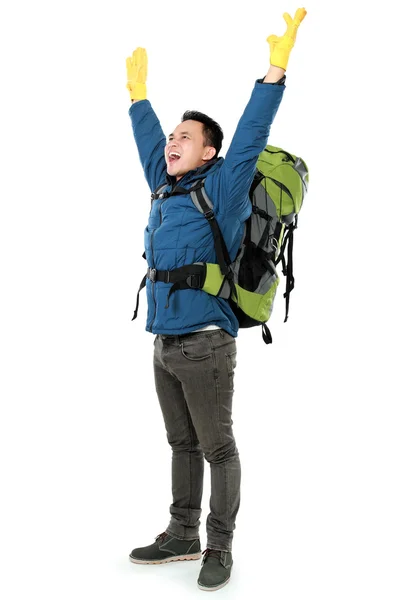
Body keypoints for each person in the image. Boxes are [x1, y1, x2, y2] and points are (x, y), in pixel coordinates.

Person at [126, 8, 306, 592]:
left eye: (185, 137)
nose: (172, 143)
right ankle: (181, 534)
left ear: (209, 153)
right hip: (163, 343)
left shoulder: (224, 189)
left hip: (206, 345)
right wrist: (139, 101)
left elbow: (252, 129)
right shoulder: (166, 185)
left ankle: (219, 547)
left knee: (217, 447)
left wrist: (275, 69)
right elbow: (151, 144)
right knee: (181, 443)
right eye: (173, 137)